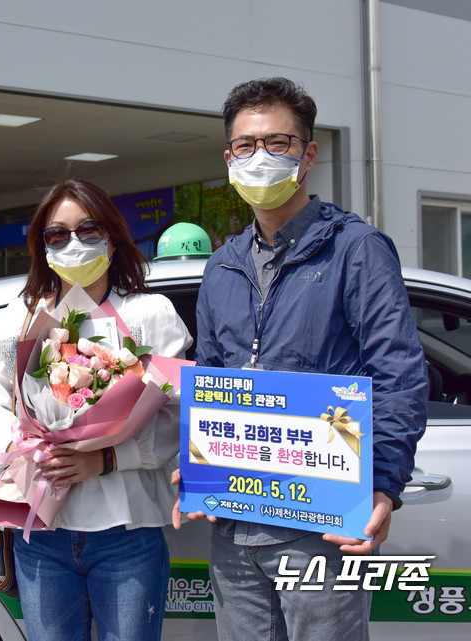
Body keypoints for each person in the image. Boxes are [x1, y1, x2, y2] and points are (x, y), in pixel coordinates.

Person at [173, 77, 428, 640]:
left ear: (308, 154)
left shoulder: (356, 250)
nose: (260, 157)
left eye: (279, 143)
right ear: (229, 157)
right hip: (234, 526)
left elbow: (399, 375)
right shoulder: (223, 267)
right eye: (246, 145)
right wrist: (199, 464)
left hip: (320, 524)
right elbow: (214, 381)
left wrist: (383, 484)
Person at [0, 179, 192, 641]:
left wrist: (106, 458)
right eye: (57, 235)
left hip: (127, 534)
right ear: (42, 247)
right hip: (41, 536)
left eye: (88, 230)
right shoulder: (16, 321)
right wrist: (24, 444)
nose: (73, 244)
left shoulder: (152, 315)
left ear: (111, 238)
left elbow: (179, 418)